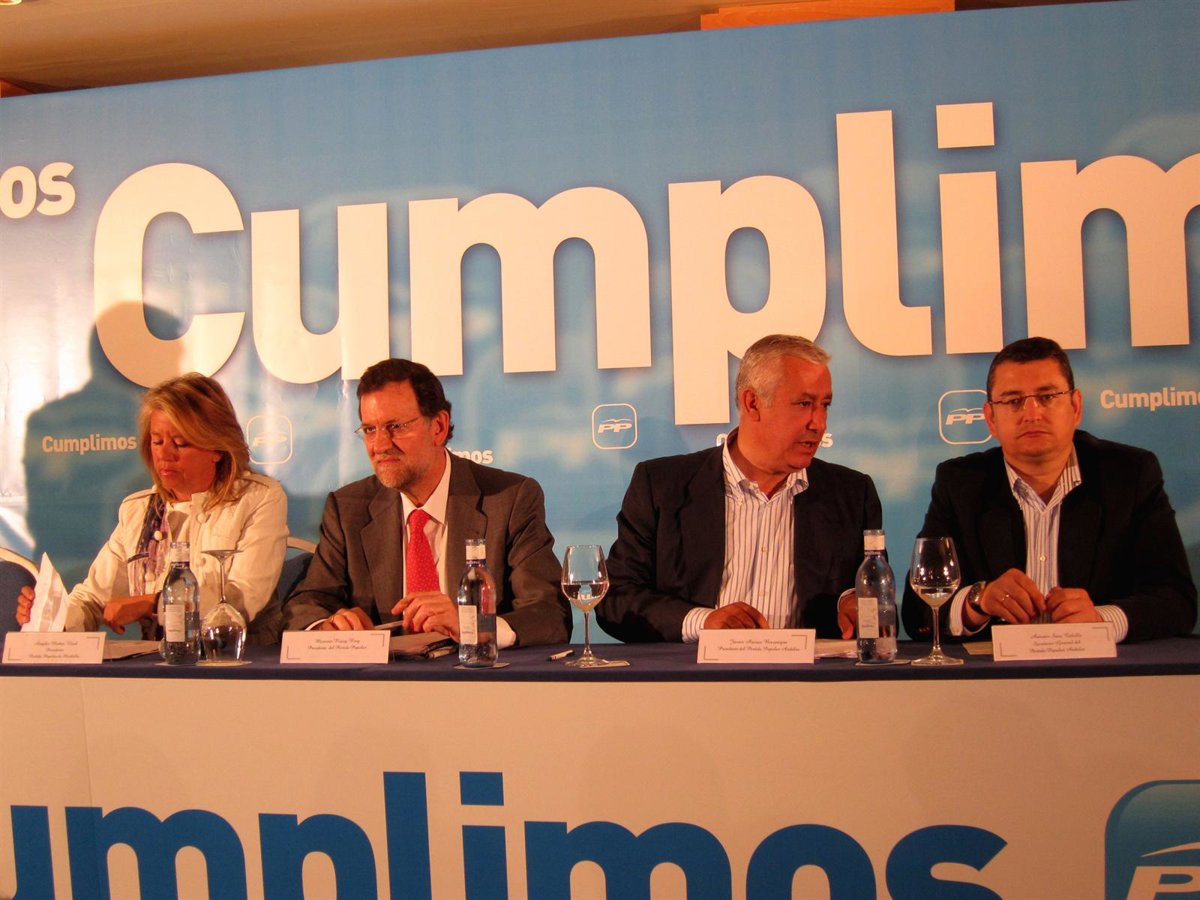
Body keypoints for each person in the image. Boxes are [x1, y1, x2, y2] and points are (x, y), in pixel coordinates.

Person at [901, 337, 1196, 644]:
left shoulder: (1128, 475)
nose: (1032, 414)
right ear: (990, 419)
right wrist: (978, 600)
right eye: (1013, 401)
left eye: (1047, 397)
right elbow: (917, 612)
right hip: (996, 670)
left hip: (1102, 670)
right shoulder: (961, 484)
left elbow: (1177, 601)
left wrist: (1101, 620)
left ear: (1075, 406)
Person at [596, 334, 882, 643]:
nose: (819, 423)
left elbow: (870, 589)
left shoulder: (853, 494)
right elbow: (616, 600)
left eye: (824, 405)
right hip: (693, 671)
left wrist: (851, 602)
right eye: (804, 404)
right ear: (752, 403)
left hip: (809, 672)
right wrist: (703, 622)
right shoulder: (662, 486)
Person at [282, 358, 571, 647]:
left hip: (476, 672)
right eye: (370, 430)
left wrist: (473, 625)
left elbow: (549, 614)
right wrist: (328, 626)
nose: (380, 445)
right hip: (382, 675)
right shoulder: (348, 508)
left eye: (396, 426)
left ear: (438, 427)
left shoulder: (508, 500)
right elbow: (307, 604)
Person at [15, 373, 289, 642]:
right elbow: (93, 598)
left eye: (180, 443)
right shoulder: (138, 510)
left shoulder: (259, 499)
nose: (164, 454)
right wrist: (51, 617)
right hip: (156, 663)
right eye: (157, 441)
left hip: (240, 659)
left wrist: (153, 603)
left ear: (217, 448)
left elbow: (242, 598)